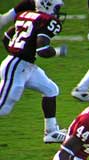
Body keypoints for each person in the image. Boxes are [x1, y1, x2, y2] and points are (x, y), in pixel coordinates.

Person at [0, 0, 67, 144]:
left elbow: (6, 38)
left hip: (24, 65)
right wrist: (58, 52)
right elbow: (42, 50)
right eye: (56, 7)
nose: (58, 11)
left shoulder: (25, 14)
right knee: (2, 108)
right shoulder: (45, 20)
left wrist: (17, 53)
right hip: (17, 67)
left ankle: (51, 132)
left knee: (51, 89)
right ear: (47, 5)